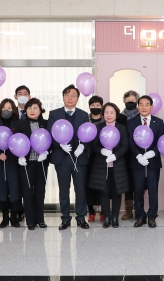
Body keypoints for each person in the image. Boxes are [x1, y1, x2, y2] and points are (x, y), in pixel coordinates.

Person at [48, 84, 91, 230]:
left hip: (79, 157)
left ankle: (81, 218)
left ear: (77, 98)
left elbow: (88, 134)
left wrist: (82, 146)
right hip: (62, 158)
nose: (70, 98)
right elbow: (50, 134)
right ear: (63, 97)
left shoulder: (84, 115)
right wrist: (60, 145)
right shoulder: (54, 114)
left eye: (73, 95)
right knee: (64, 189)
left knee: (80, 189)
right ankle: (65, 218)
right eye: (67, 95)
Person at [127, 95, 164, 228]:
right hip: (136, 162)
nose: (144, 107)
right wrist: (138, 155)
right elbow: (130, 141)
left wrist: (152, 153)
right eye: (141, 104)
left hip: (153, 162)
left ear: (152, 107)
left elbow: (161, 141)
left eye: (147, 104)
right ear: (138, 106)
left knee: (153, 191)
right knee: (138, 190)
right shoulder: (131, 122)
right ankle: (140, 216)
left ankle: (152, 217)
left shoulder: (158, 122)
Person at [89, 103, 130, 228]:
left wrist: (115, 155)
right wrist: (101, 150)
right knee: (104, 192)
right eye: (106, 112)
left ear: (116, 114)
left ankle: (115, 217)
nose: (109, 115)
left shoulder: (121, 128)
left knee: (117, 192)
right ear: (103, 114)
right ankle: (106, 217)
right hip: (102, 165)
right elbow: (94, 145)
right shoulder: (98, 127)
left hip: (118, 165)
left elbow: (125, 146)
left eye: (112, 112)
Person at [13, 98, 50, 230]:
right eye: (29, 108)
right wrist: (19, 156)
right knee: (27, 192)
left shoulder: (46, 123)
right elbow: (15, 142)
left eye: (35, 108)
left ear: (40, 110)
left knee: (40, 191)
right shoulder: (19, 124)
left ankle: (40, 219)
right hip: (26, 163)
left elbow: (52, 140)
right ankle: (30, 221)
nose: (32, 110)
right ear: (26, 110)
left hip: (41, 162)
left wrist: (47, 152)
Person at [0, 98, 21, 228]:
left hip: (14, 161)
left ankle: (14, 217)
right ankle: (4, 218)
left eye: (9, 108)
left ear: (13, 110)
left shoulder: (18, 123)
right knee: (2, 189)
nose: (6, 110)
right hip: (0, 161)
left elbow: (21, 141)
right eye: (4, 108)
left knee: (14, 189)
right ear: (0, 109)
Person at [118, 90, 139, 219]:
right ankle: (128, 210)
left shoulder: (141, 116)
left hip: (139, 154)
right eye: (128, 100)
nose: (130, 102)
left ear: (137, 101)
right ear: (124, 102)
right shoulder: (119, 117)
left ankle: (139, 210)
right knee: (128, 183)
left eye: (133, 100)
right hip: (124, 155)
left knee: (139, 182)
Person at [86, 95, 104, 223]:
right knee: (88, 184)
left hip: (102, 156)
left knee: (102, 184)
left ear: (101, 106)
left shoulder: (105, 121)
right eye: (92, 105)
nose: (95, 107)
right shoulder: (85, 120)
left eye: (98, 105)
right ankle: (91, 211)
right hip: (87, 156)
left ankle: (103, 211)